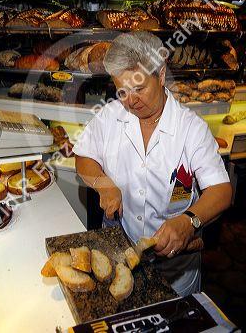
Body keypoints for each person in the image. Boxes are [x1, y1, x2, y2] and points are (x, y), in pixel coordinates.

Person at [73, 31, 232, 296]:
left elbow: (221, 191)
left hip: (176, 274)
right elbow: (84, 157)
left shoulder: (190, 129)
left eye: (139, 88)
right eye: (122, 91)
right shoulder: (110, 116)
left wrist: (189, 221)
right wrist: (104, 184)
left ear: (160, 75)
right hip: (119, 260)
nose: (131, 101)